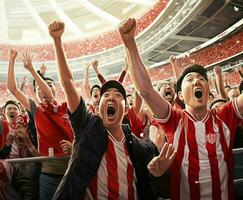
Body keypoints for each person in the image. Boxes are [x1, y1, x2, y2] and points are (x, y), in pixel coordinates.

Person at [119, 17, 243, 199]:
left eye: (201, 79)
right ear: (179, 95)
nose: (197, 81)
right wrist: (130, 43)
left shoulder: (226, 115)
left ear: (209, 90)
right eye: (189, 79)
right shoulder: (174, 119)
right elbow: (145, 90)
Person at [48, 20, 169, 200]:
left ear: (126, 108)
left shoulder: (137, 146)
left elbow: (153, 183)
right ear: (98, 107)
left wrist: (159, 173)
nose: (111, 97)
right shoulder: (86, 128)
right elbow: (68, 84)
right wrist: (57, 41)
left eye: (118, 95)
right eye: (106, 95)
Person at [7, 50, 74, 200]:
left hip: (72, 172)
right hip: (48, 175)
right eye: (38, 89)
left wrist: (32, 70)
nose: (42, 91)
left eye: (48, 85)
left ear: (55, 88)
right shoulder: (37, 111)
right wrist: (12, 59)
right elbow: (12, 89)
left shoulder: (67, 107)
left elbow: (49, 95)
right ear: (36, 95)